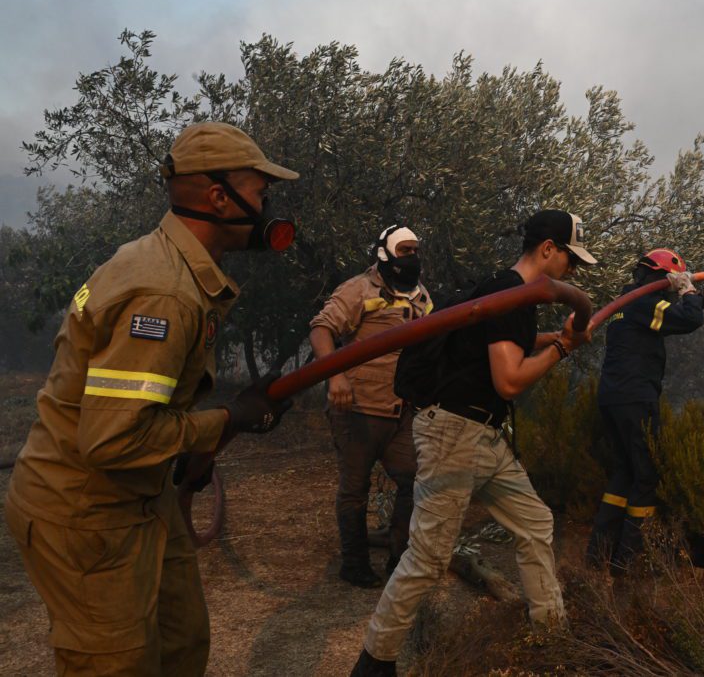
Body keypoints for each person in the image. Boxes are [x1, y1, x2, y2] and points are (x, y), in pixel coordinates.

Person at [3, 122, 297, 676]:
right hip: (86, 513)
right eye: (261, 193)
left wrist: (191, 444)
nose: (267, 208)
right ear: (219, 197)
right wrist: (228, 419)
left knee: (182, 642)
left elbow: (141, 402)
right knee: (118, 665)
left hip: (140, 496)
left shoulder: (171, 265)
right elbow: (113, 440)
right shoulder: (162, 293)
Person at [350, 209, 598, 676]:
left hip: (481, 435)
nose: (573, 271)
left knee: (535, 522)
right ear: (548, 249)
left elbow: (504, 343)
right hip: (454, 433)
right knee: (429, 556)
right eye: (571, 259)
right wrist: (562, 349)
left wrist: (557, 336)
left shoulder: (511, 296)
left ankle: (551, 637)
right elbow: (509, 380)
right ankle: (373, 663)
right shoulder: (511, 295)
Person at [585, 248, 704, 576]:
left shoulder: (629, 304)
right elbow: (688, 319)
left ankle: (598, 556)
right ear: (663, 276)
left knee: (625, 473)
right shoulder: (643, 303)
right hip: (636, 399)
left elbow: (676, 318)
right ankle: (627, 562)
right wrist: (689, 290)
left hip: (613, 398)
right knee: (646, 476)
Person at [309, 224, 433, 588]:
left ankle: (399, 558)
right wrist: (335, 376)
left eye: (415, 251)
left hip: (401, 411)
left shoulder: (421, 296)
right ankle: (354, 563)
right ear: (385, 253)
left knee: (414, 481)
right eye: (404, 251)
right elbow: (321, 328)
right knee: (355, 487)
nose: (412, 258)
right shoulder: (358, 289)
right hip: (359, 410)